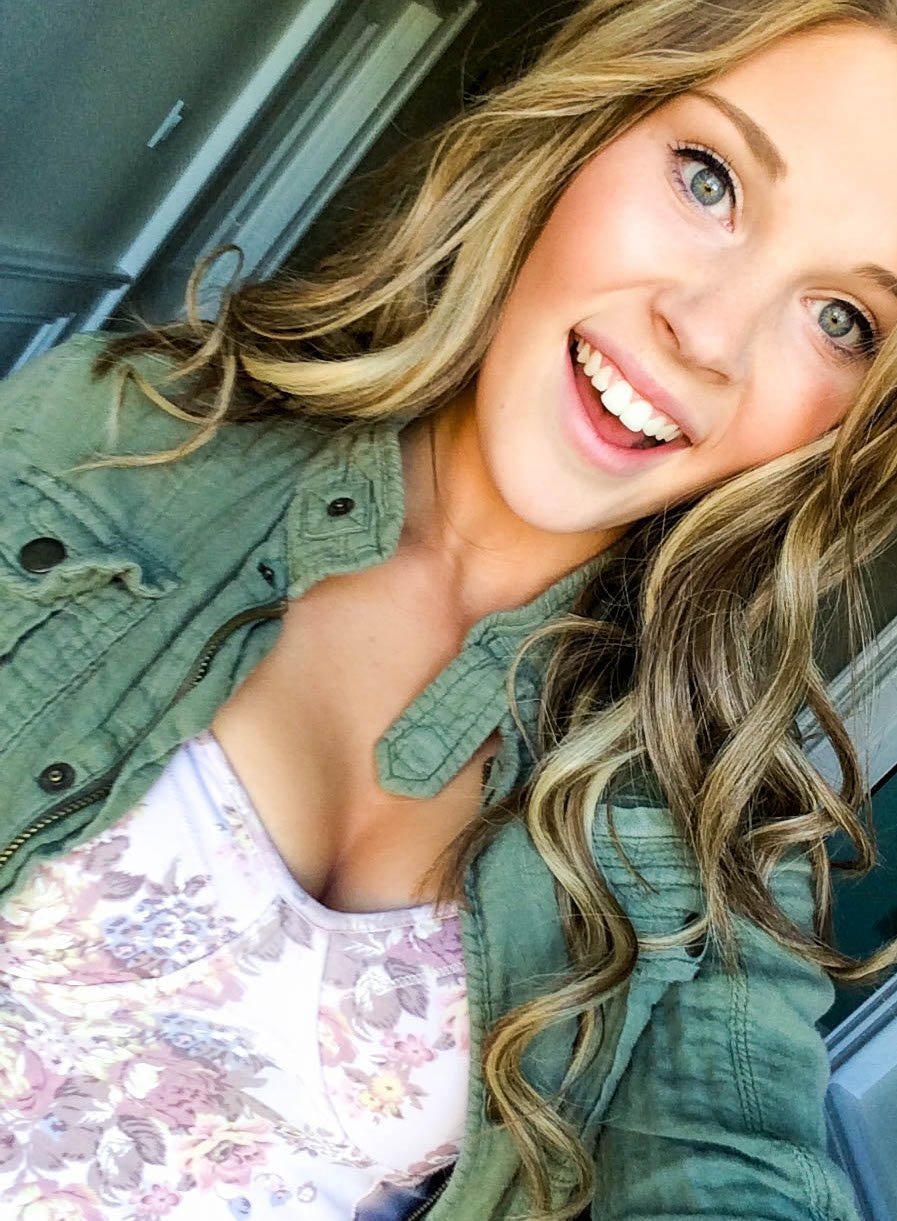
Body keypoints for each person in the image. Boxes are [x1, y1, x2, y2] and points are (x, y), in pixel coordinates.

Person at [3, 0, 897, 1217]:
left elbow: (731, 1168)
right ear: (579, 135)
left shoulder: (716, 843)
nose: (705, 334)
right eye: (709, 180)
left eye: (842, 320)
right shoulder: (110, 438)